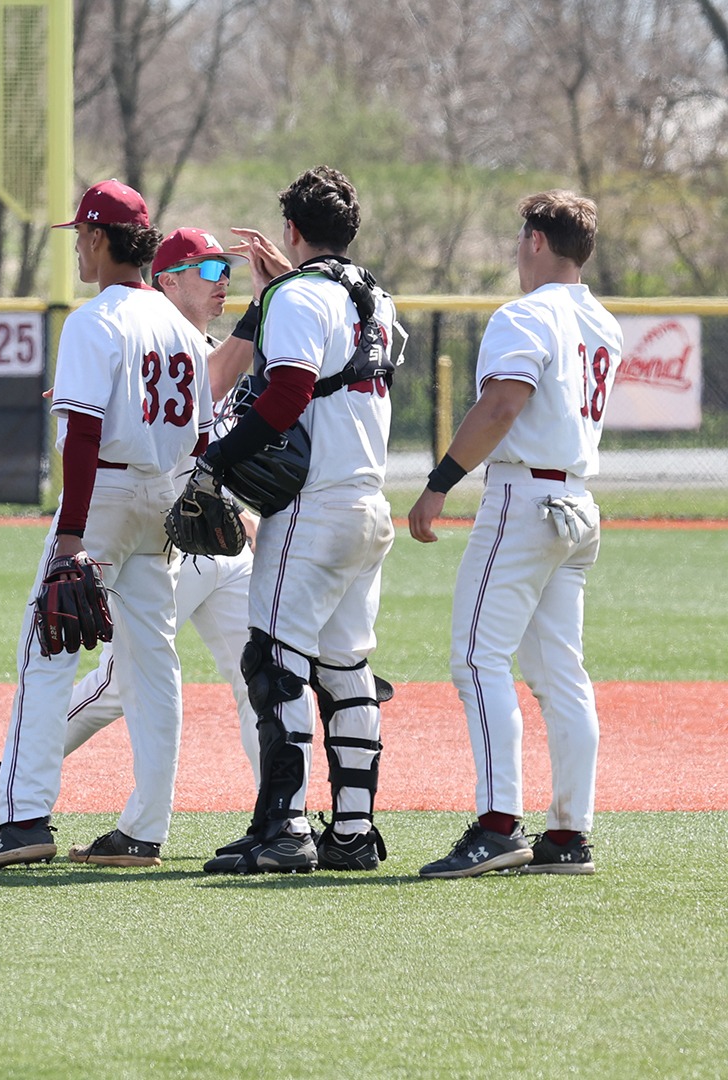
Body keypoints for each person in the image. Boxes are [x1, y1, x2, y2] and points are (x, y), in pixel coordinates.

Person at [0, 227, 257, 866]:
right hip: (165, 499)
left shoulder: (94, 319)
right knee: (152, 666)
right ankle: (145, 829)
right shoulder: (183, 329)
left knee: (47, 650)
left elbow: (83, 436)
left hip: (104, 500)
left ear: (98, 239)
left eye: (81, 235)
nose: (77, 247)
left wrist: (71, 536)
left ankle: (23, 816)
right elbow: (200, 435)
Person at [196, 166, 406, 874]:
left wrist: (216, 461)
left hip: (313, 508)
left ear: (290, 230)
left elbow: (286, 394)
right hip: (369, 504)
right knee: (346, 667)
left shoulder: (296, 295)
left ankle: (285, 830)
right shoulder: (376, 297)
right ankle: (352, 831)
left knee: (274, 661)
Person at [410, 191, 617, 878]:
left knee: (476, 659)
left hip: (524, 500)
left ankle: (499, 825)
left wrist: (440, 482)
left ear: (535, 240)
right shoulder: (603, 322)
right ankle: (569, 834)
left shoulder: (525, 314)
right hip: (577, 500)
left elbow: (502, 405)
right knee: (561, 674)